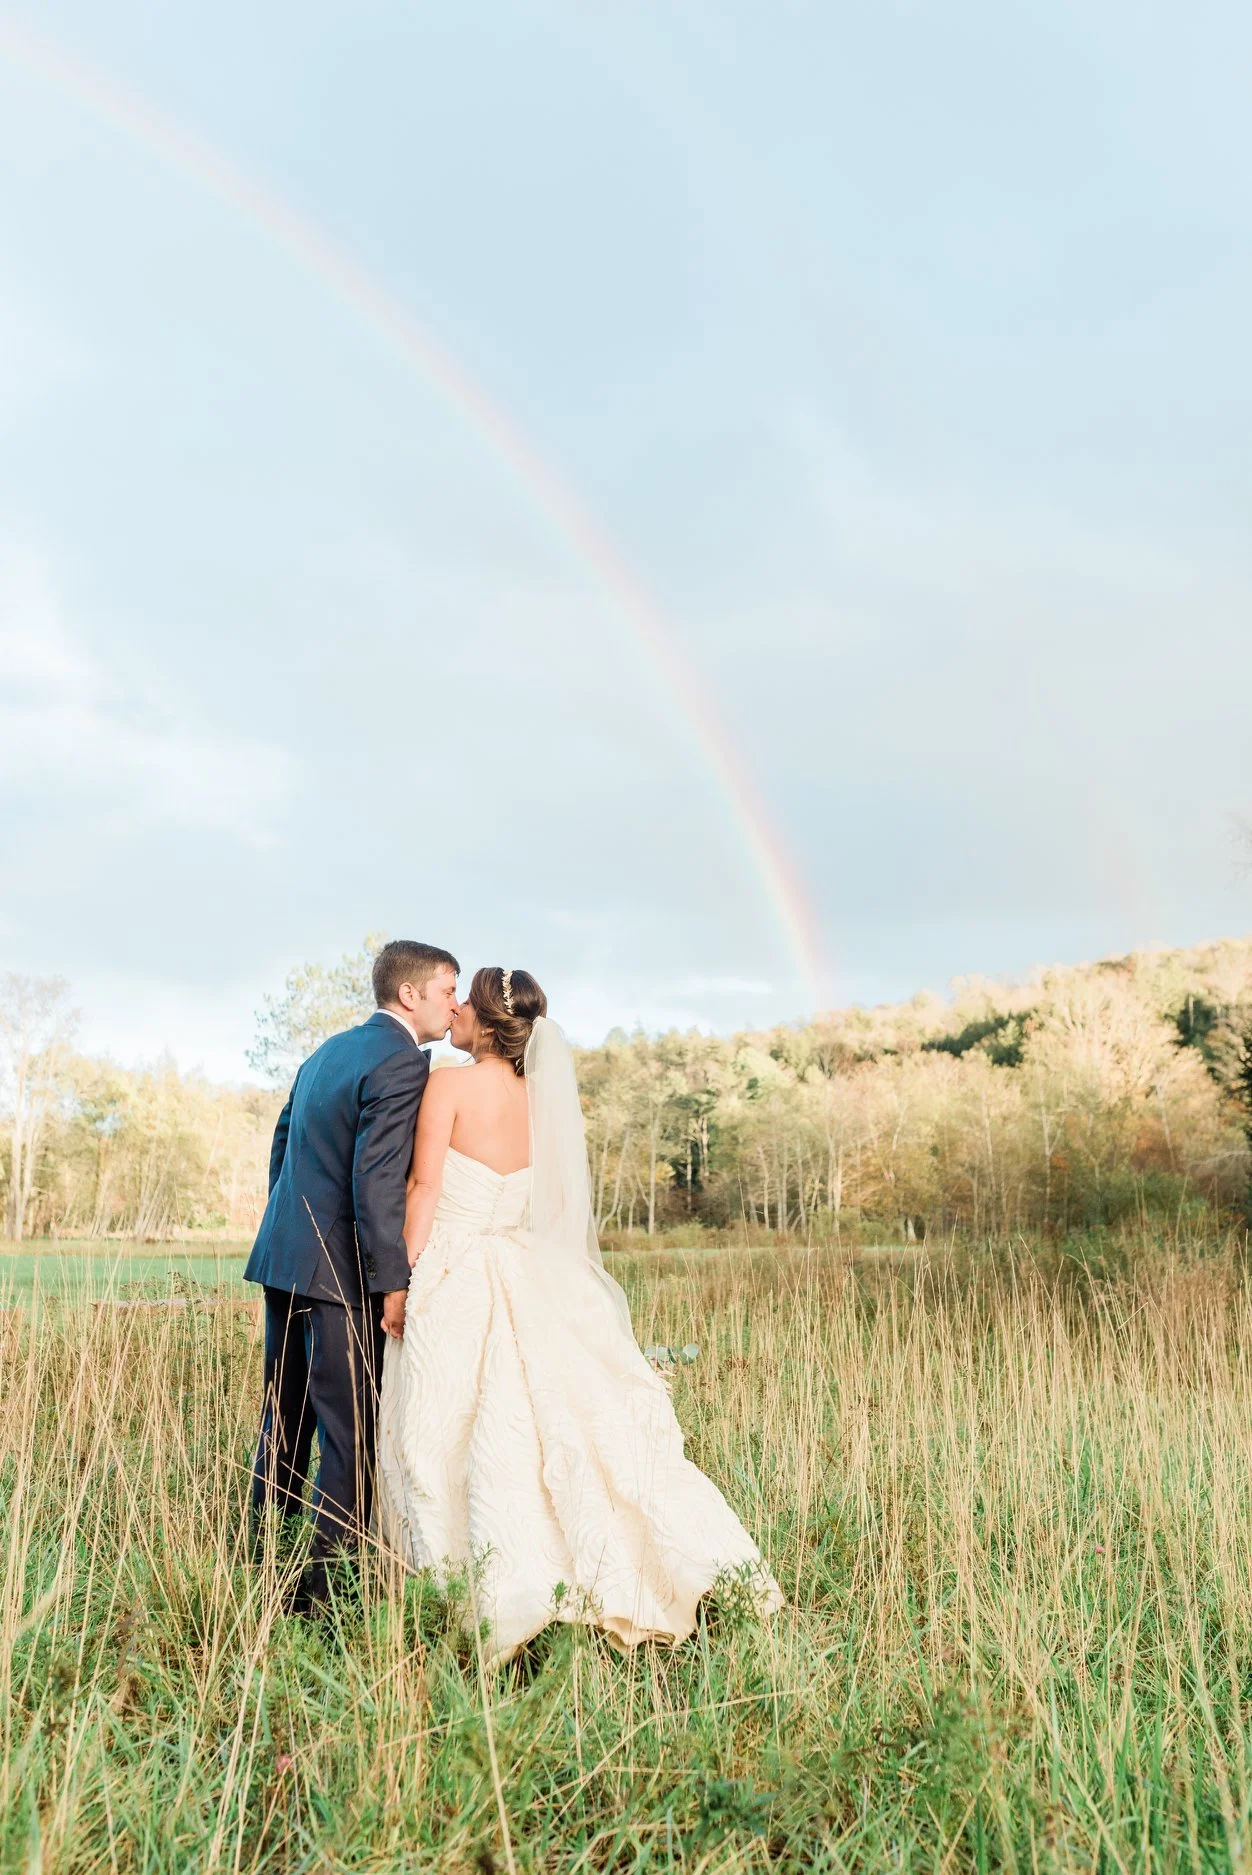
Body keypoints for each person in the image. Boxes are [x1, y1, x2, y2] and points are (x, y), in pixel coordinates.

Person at [375, 965, 782, 1660]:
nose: (458, 1012)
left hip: (457, 1268)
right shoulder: (542, 1104)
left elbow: (424, 1187)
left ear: (487, 1022)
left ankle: (464, 1590)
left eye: (466, 1002)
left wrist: (398, 1283)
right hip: (527, 1266)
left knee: (439, 1430)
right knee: (547, 1427)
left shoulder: (447, 1084)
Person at [246, 938, 459, 1608]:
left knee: (284, 1418)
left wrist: (294, 1225)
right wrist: (390, 1280)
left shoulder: (327, 1050)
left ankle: (260, 1558)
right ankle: (322, 1597)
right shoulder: (403, 1063)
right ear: (409, 995)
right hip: (339, 1276)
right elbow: (376, 1184)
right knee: (350, 1434)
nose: (455, 1005)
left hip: (284, 1260)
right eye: (448, 990)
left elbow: (282, 1141)